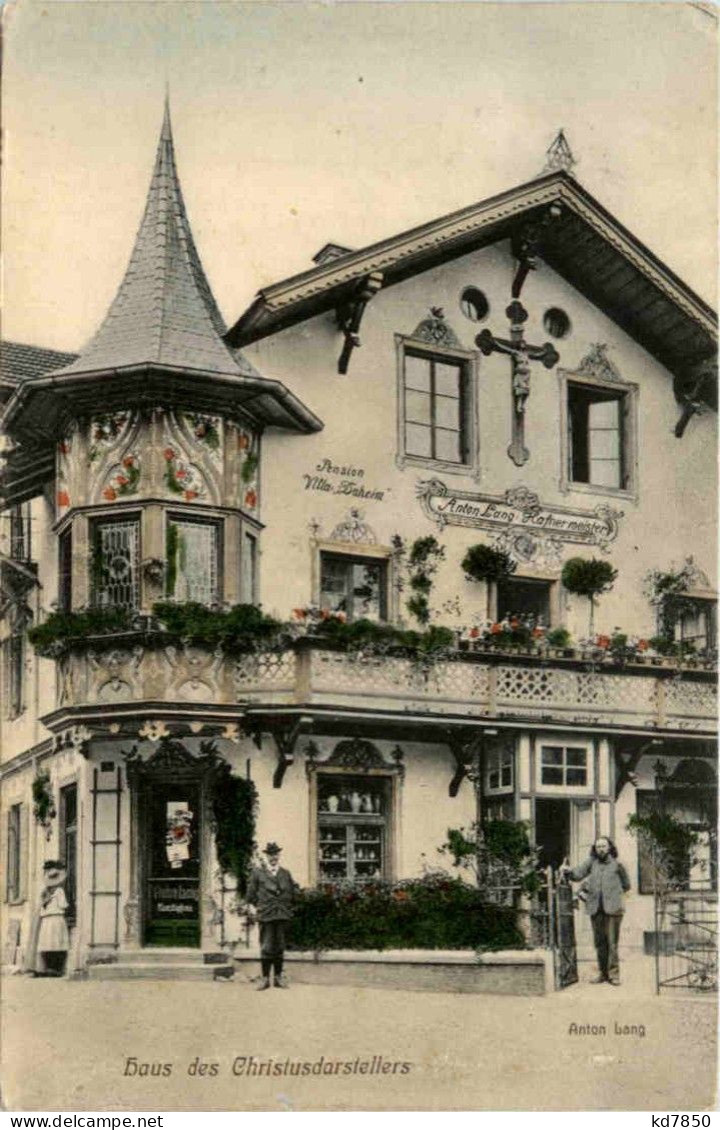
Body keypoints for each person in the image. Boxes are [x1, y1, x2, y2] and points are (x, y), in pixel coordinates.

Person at [561, 837, 630, 985]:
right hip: (595, 909)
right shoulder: (591, 863)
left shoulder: (618, 865)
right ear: (595, 848)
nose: (601, 849)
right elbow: (577, 874)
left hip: (613, 910)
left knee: (612, 943)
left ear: (610, 847)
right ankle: (603, 974)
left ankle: (614, 975)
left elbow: (626, 885)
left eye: (604, 846)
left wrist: (612, 895)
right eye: (598, 846)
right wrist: (567, 871)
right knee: (599, 943)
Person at [246, 842, 296, 990]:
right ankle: (265, 979)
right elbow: (250, 895)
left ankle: (278, 978)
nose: (273, 857)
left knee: (279, 946)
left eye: (275, 854)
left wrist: (286, 906)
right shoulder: (258, 873)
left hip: (281, 914)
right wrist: (260, 907)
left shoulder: (285, 873)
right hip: (266, 914)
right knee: (267, 946)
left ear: (279, 855)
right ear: (266, 856)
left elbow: (292, 894)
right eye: (270, 854)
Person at [28, 860, 70, 977]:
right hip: (56, 918)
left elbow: (41, 907)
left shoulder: (45, 891)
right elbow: (63, 905)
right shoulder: (59, 891)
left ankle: (48, 967)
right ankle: (56, 969)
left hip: (46, 920)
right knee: (57, 944)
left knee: (47, 944)